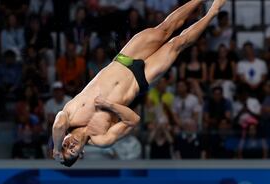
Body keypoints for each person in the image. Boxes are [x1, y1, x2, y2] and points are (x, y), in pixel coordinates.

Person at [52, 0, 227, 166]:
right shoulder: (102, 139)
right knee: (176, 44)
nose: (71, 146)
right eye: (72, 152)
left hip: (124, 59)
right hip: (141, 79)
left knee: (165, 29)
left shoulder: (69, 115)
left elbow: (58, 123)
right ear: (81, 153)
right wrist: (109, 105)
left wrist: (56, 148)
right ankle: (213, 12)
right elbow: (134, 120)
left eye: (66, 146)